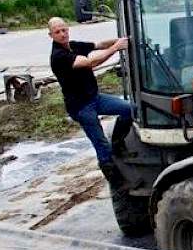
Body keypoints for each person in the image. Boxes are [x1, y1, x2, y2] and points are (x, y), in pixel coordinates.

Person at [47, 17, 131, 186]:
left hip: (95, 98)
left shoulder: (74, 45)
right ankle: (116, 181)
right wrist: (116, 48)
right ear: (51, 35)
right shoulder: (59, 56)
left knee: (129, 109)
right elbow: (90, 62)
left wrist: (123, 39)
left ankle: (118, 142)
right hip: (81, 107)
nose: (62, 34)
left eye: (64, 30)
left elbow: (99, 44)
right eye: (57, 32)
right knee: (101, 144)